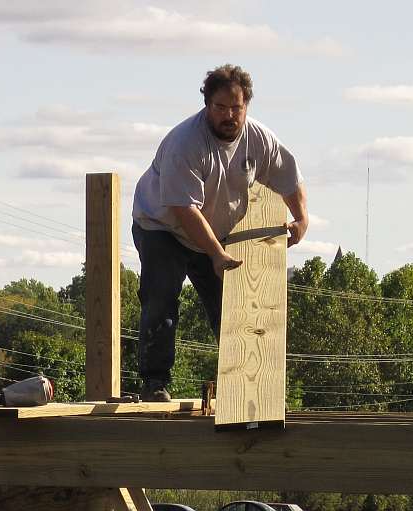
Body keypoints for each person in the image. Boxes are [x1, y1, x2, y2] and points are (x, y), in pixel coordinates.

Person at [132, 64, 308, 402]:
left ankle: (244, 386)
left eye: (236, 108)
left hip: (212, 231)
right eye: (220, 108)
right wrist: (215, 253)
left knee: (230, 308)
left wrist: (301, 218)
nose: (229, 115)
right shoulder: (186, 143)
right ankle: (155, 382)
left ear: (246, 106)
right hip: (162, 226)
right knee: (161, 299)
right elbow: (185, 210)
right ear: (206, 105)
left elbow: (289, 177)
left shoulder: (259, 139)